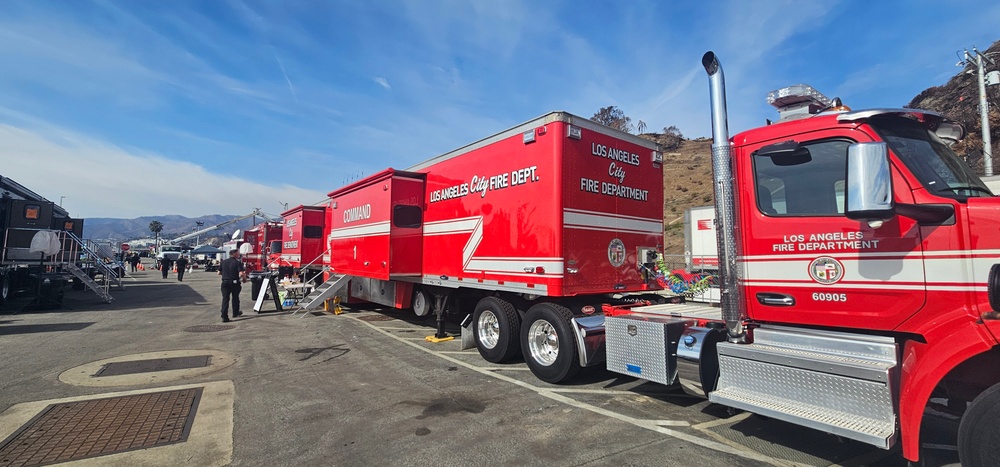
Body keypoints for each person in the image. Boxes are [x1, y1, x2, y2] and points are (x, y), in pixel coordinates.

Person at [219, 249, 247, 322]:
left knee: (225, 299)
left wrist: (226, 274)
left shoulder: (223, 262)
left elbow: (219, 272)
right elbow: (241, 273)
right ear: (234, 254)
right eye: (237, 254)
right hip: (234, 282)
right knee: (235, 298)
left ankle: (224, 316)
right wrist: (244, 279)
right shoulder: (237, 263)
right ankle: (235, 312)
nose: (239, 255)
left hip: (225, 282)